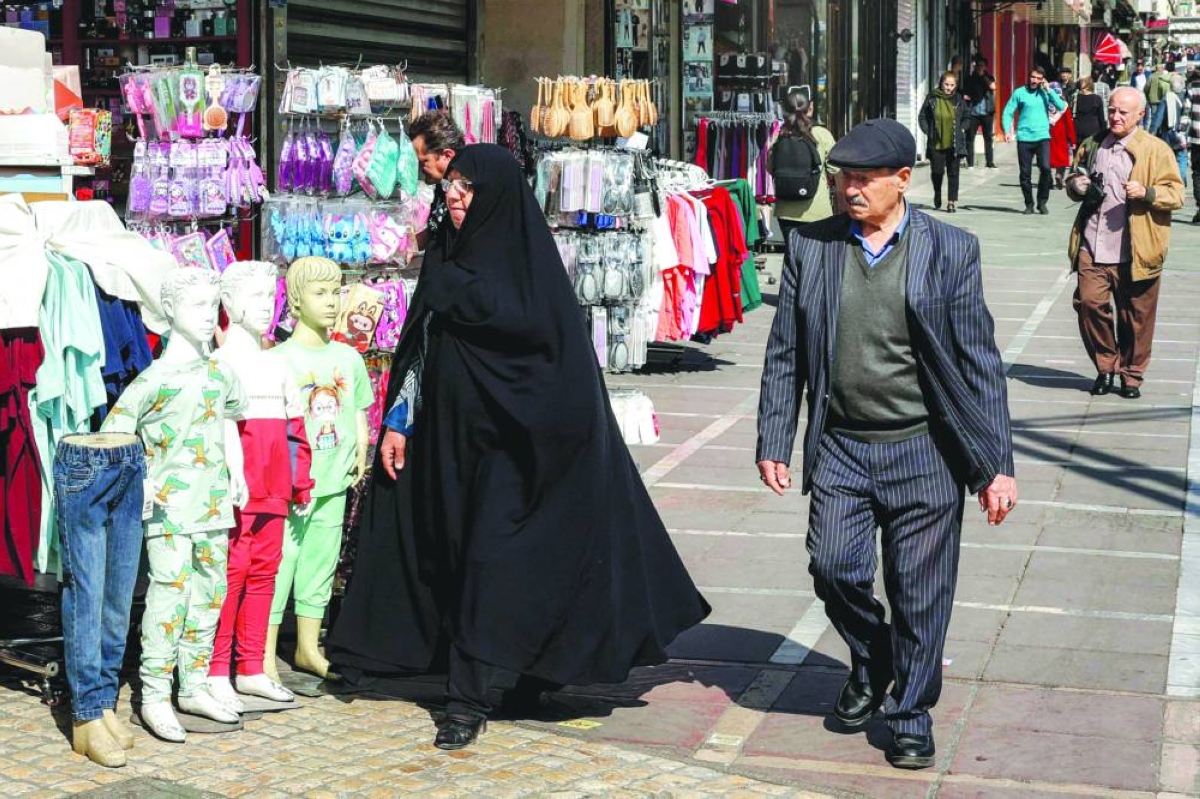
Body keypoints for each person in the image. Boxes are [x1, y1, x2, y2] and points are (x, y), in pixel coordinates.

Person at [324, 145, 710, 750]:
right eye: (451, 184)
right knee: (457, 560)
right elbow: (420, 346)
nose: (454, 194)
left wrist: (553, 450)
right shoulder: (444, 259)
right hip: (450, 447)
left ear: (498, 197)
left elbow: (562, 378)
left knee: (493, 563)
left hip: (522, 457)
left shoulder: (531, 277)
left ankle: (466, 701)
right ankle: (520, 678)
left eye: (467, 187)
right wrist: (398, 421)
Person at [756, 118, 1017, 772]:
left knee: (920, 592)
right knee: (832, 566)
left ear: (903, 179)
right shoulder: (813, 246)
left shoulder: (950, 249)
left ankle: (909, 714)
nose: (850, 189)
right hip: (842, 446)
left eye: (865, 178)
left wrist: (996, 465)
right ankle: (874, 655)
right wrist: (774, 438)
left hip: (924, 448)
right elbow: (786, 351)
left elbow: (980, 362)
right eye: (843, 177)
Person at [1065, 87, 1184, 399]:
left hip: (1136, 249)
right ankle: (1106, 365)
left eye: (1123, 112)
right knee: (1089, 304)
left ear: (1141, 115)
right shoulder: (1093, 143)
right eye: (1112, 110)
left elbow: (1177, 194)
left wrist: (1147, 192)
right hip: (1092, 244)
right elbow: (1073, 177)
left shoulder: (1156, 150)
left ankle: (1131, 375)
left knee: (1136, 319)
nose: (1115, 117)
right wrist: (1077, 185)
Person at [768, 89, 836, 242]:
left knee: (792, 252)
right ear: (810, 108)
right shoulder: (822, 134)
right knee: (815, 253)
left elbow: (770, 168)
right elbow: (835, 169)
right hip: (817, 209)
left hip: (786, 210)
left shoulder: (780, 135)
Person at [1002, 66, 1067, 214]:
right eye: (1033, 77)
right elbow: (1008, 112)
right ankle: (1029, 204)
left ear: (1043, 80)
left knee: (1045, 168)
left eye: (1038, 78)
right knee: (1025, 173)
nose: (1035, 81)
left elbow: (1061, 106)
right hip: (1024, 137)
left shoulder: (1045, 92)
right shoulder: (1019, 93)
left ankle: (1042, 202)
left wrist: (1049, 90)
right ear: (1029, 77)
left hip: (1042, 137)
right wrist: (1007, 131)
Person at [409, 112, 466, 251]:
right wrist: (406, 247)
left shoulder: (466, 196)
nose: (420, 169)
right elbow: (435, 231)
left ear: (447, 155)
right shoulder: (442, 186)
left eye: (424, 161)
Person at [918, 71, 969, 212]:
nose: (949, 88)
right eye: (946, 84)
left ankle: (951, 202)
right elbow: (922, 116)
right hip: (936, 141)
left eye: (952, 85)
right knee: (937, 172)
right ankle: (937, 192)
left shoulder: (958, 99)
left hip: (954, 142)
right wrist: (928, 131)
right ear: (941, 83)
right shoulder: (932, 97)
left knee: (953, 173)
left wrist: (962, 128)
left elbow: (967, 116)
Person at [962, 57, 998, 169]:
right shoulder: (970, 78)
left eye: (982, 65)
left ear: (985, 67)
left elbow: (993, 86)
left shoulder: (989, 77)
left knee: (988, 138)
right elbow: (965, 92)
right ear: (975, 66)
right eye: (978, 65)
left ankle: (990, 162)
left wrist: (983, 76)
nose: (980, 68)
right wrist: (966, 97)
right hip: (973, 112)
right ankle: (970, 163)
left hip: (987, 112)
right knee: (970, 138)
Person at [1049, 82, 1077, 189]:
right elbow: (1069, 124)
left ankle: (1048, 178)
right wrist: (1072, 139)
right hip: (1061, 135)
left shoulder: (1044, 104)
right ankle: (1059, 174)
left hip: (1046, 133)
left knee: (1046, 158)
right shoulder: (1064, 105)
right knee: (1061, 158)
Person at [1184, 70, 1200, 222]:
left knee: (1197, 173)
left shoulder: (1193, 87)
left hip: (1197, 137)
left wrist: (1182, 132)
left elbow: (1186, 111)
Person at [1073, 77, 1108, 144]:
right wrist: (1104, 132)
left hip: (1078, 129)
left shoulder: (1076, 97)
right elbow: (1101, 118)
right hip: (1092, 129)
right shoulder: (1097, 98)